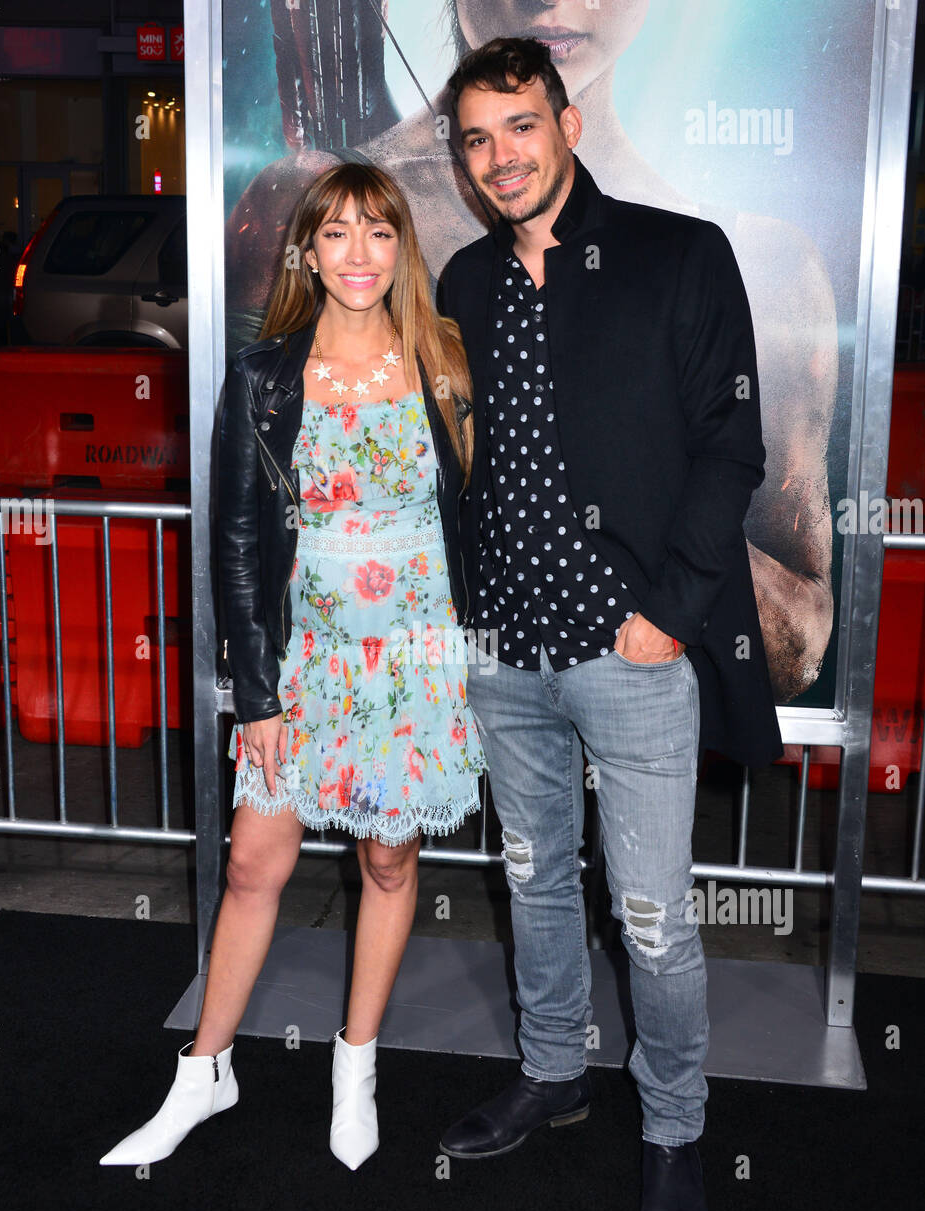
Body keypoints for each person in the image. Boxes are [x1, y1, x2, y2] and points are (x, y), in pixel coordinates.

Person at [433, 36, 784, 1211]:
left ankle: (676, 1128)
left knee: (649, 913)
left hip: (632, 659)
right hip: (507, 659)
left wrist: (668, 614)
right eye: (476, 139)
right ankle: (550, 1073)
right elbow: (456, 464)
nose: (499, 159)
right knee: (531, 881)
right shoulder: (465, 282)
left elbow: (731, 447)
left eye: (518, 127)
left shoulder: (678, 255)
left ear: (565, 124)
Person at [227, 0, 838, 703]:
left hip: (626, 688)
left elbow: (796, 646)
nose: (550, 0)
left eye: (523, 126)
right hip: (413, 690)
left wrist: (643, 527)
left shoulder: (745, 259)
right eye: (482, 137)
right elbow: (261, 497)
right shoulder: (335, 210)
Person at [99, 161, 485, 1172]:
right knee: (252, 863)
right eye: (336, 234)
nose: (358, 255)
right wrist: (256, 691)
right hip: (304, 661)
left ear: (402, 247)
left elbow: (477, 509)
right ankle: (204, 1071)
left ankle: (354, 1066)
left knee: (389, 861)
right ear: (307, 252)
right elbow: (234, 539)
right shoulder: (268, 372)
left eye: (378, 232)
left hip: (411, 660)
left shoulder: (443, 356)